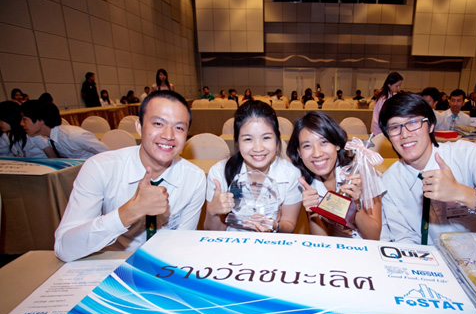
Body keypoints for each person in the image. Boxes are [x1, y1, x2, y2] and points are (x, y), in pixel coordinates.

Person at [54, 90, 207, 262]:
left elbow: (183, 244)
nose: (168, 135)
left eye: (179, 128)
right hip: (109, 263)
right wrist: (130, 211)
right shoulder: (101, 168)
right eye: (158, 123)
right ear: (139, 127)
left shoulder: (194, 179)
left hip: (163, 264)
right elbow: (64, 249)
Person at [378, 92, 476, 245]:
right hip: (427, 259)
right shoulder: (390, 181)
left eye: (413, 122)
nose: (404, 134)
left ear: (431, 125)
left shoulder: (467, 155)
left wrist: (461, 192)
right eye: (394, 127)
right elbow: (404, 237)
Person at [204, 100, 302, 233]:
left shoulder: (291, 174)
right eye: (248, 139)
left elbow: (289, 224)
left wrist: (275, 226)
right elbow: (213, 232)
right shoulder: (219, 173)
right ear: (237, 142)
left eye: (266, 138)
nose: (258, 148)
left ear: (277, 140)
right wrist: (212, 211)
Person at [287, 111, 382, 239]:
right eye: (307, 146)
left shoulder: (362, 173)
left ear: (337, 144)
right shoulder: (306, 184)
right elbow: (321, 242)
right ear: (299, 152)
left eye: (324, 142)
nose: (317, 153)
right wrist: (312, 212)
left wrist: (354, 204)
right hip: (338, 248)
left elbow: (374, 236)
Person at [21, 100, 109, 158]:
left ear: (41, 120)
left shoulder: (74, 136)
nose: (21, 123)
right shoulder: (49, 138)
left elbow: (108, 154)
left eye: (24, 119)